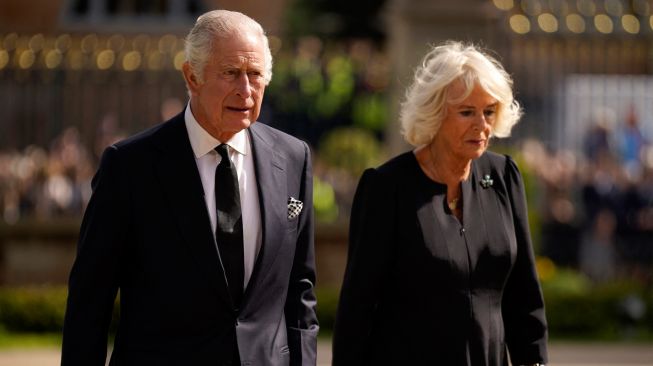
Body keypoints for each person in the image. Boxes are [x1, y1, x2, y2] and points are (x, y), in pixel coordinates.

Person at [62, 10, 318, 366]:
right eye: (230, 73)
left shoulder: (293, 158)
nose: (245, 89)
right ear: (191, 76)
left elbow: (300, 290)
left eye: (255, 74)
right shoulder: (130, 166)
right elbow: (90, 300)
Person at [332, 41, 548, 365]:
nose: (482, 125)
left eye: (489, 111)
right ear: (434, 112)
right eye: (466, 112)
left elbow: (524, 298)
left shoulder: (504, 176)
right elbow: (357, 310)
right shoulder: (386, 187)